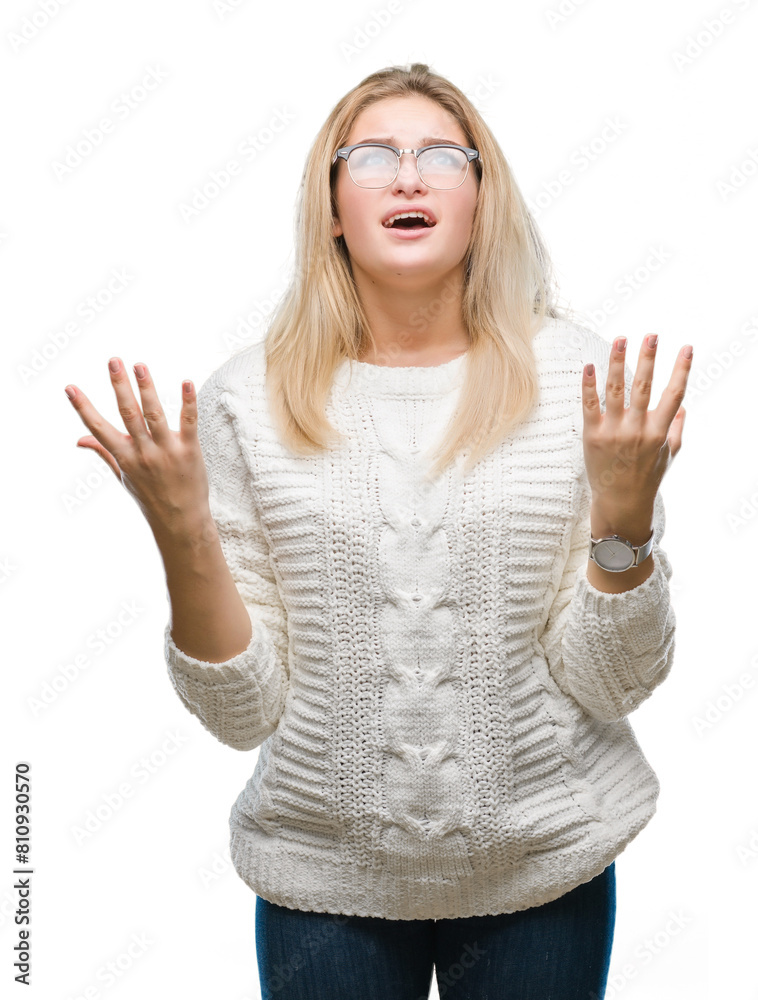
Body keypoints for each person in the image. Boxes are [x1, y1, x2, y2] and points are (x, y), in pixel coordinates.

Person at [64, 63, 692, 1000]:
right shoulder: (247, 398)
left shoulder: (580, 382)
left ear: (483, 197)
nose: (409, 177)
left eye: (442, 155)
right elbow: (244, 716)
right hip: (325, 885)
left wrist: (627, 518)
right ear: (330, 208)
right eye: (374, 157)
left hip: (543, 867)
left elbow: (612, 678)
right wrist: (181, 529)